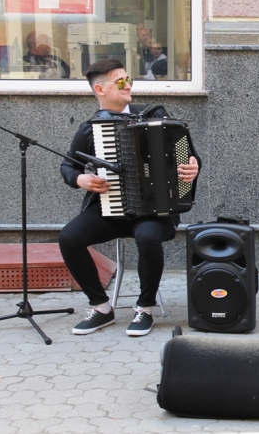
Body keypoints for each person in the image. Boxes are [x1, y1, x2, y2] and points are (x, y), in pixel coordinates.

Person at [59, 59, 200, 336]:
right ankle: (101, 307)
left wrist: (193, 168)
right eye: (120, 82)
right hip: (110, 209)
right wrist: (80, 179)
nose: (129, 85)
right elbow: (68, 166)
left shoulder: (154, 114)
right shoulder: (91, 128)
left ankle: (144, 309)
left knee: (147, 236)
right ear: (99, 89)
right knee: (69, 238)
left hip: (155, 211)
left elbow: (190, 155)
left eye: (129, 79)